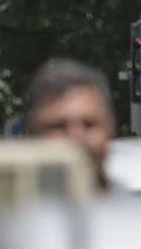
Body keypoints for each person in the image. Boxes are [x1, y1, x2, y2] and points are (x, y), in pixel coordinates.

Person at [23, 59, 115, 191]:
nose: (76, 137)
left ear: (111, 130)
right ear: (31, 132)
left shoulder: (139, 204)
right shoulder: (5, 205)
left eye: (89, 124)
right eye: (58, 126)